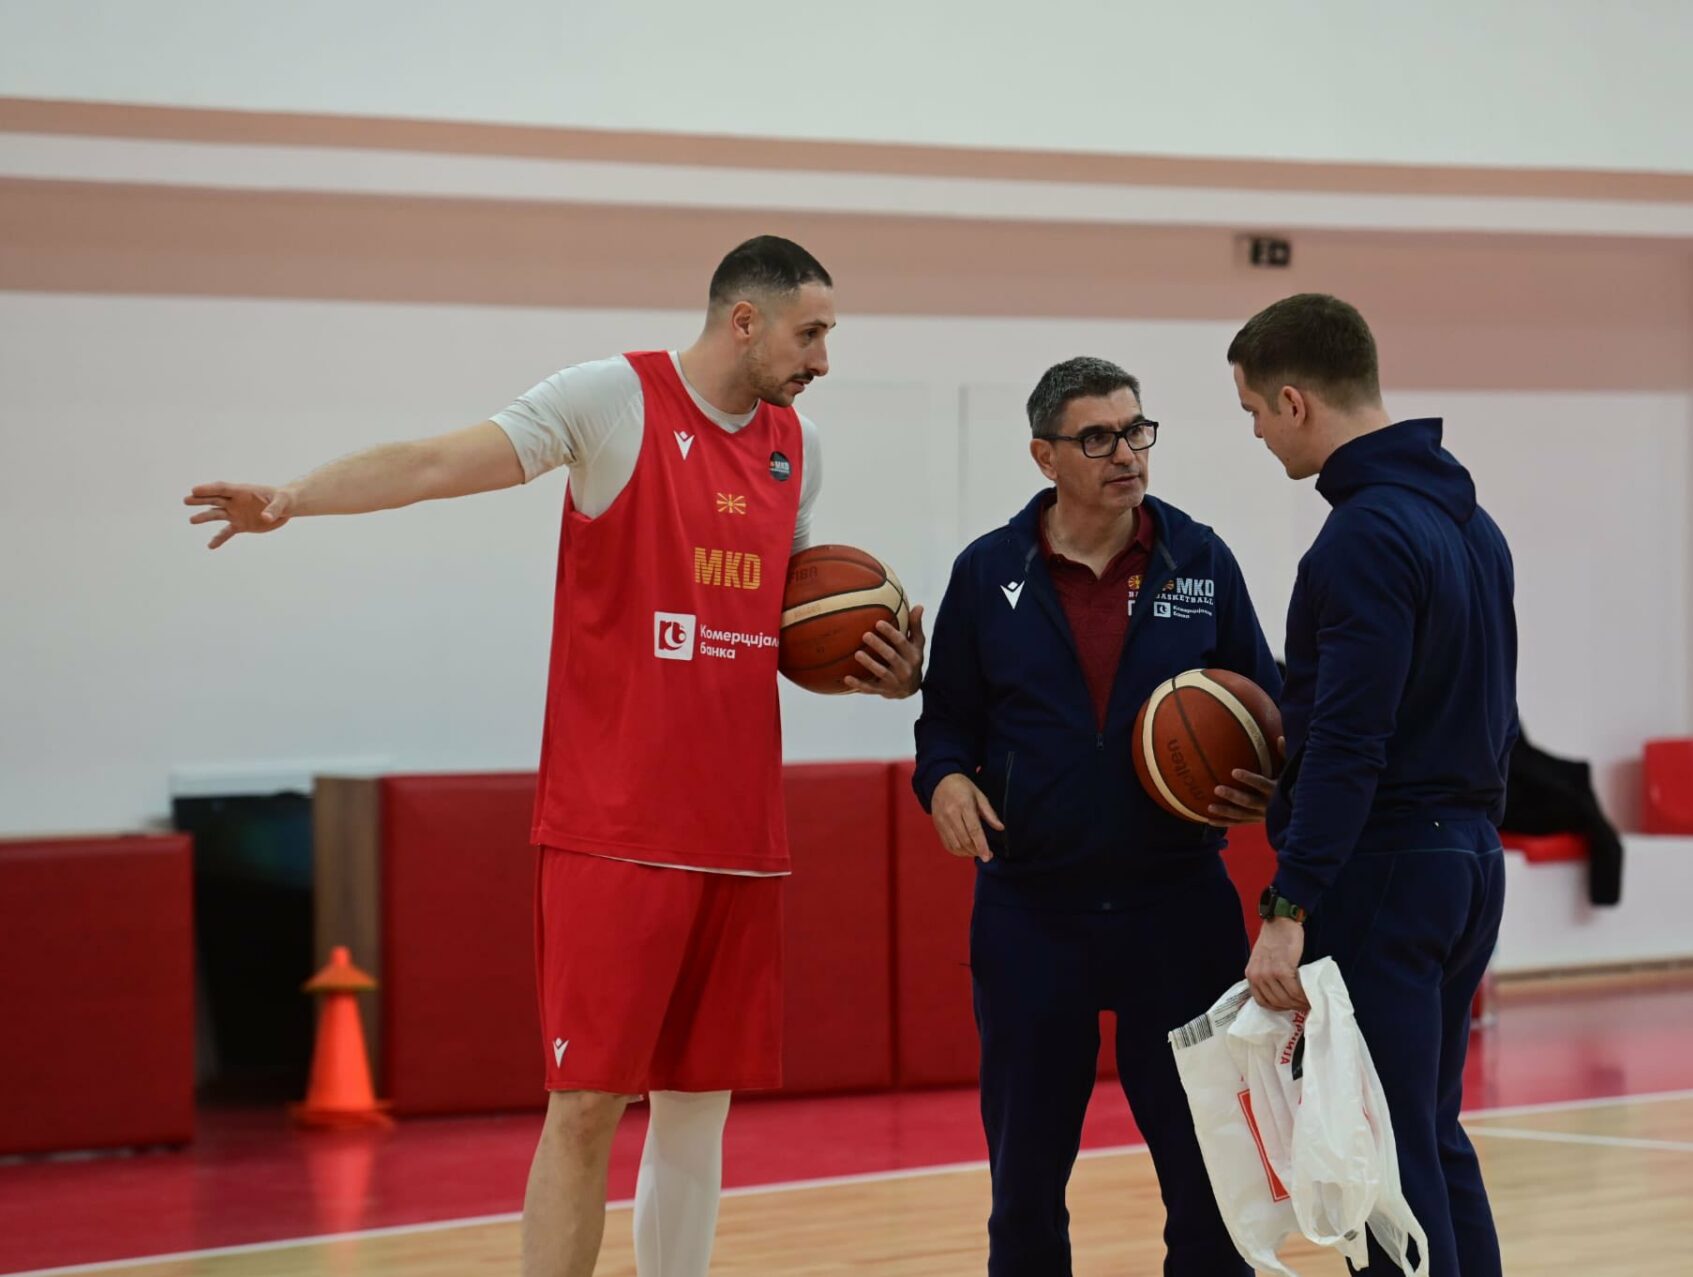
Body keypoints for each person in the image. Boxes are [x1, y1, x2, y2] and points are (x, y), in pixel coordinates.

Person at [183, 236, 925, 1277]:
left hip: (740, 826)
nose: (824, 359)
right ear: (744, 320)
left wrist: (875, 670)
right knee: (585, 1106)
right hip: (615, 827)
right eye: (811, 334)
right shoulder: (612, 399)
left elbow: (792, 621)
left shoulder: (794, 445)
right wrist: (294, 497)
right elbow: (438, 461)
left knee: (698, 1105)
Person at [914, 356, 1284, 1277]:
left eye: (1135, 430)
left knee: (1209, 1179)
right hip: (1031, 912)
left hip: (1179, 907)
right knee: (1025, 1189)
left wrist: (1267, 777)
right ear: (1044, 455)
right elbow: (945, 720)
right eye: (1097, 437)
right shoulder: (987, 571)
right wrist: (945, 780)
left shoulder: (1202, 560)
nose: (1126, 453)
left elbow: (1269, 709)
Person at [1228, 294, 1516, 1277]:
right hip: (1468, 858)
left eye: (1255, 411)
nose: (1258, 434)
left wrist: (1289, 901)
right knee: (1428, 1130)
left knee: (1378, 1156)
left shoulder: (1363, 535)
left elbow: (1352, 741)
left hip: (1388, 865)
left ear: (1295, 401)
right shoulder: (1472, 525)